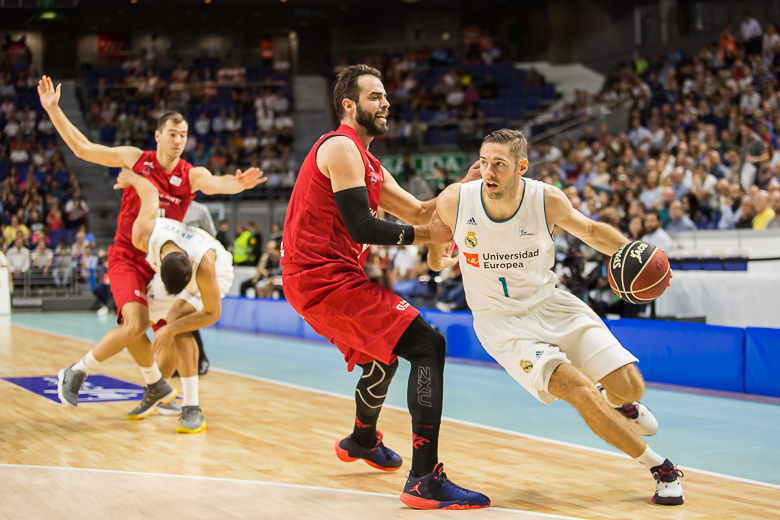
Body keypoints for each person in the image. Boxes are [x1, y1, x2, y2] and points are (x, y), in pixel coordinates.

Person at [428, 129, 684, 506]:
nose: (489, 171)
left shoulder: (545, 199)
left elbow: (593, 231)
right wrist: (442, 260)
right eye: (484, 162)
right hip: (503, 324)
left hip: (551, 304)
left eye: (499, 163)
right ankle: (661, 468)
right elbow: (435, 250)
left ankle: (621, 405)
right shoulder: (455, 200)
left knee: (631, 387)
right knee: (579, 390)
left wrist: (644, 255)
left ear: (522, 167)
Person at [281, 64, 489, 510]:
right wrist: (431, 237)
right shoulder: (339, 147)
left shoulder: (368, 162)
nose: (386, 103)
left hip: (331, 277)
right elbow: (361, 226)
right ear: (349, 105)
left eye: (386, 96)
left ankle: (361, 439)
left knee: (384, 356)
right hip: (320, 278)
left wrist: (463, 189)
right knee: (427, 344)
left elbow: (418, 212)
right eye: (375, 96)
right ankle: (424, 478)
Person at [36, 76, 264, 409]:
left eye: (183, 135)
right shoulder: (135, 159)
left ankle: (158, 387)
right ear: (158, 136)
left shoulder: (190, 174)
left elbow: (218, 183)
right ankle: (75, 372)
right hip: (128, 257)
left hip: (161, 264)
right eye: (172, 134)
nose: (178, 141)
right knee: (136, 325)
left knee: (174, 328)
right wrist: (54, 110)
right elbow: (83, 149)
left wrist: (239, 184)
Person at [113, 168, 234, 433]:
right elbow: (149, 192)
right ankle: (156, 387)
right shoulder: (148, 231)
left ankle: (192, 406)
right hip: (175, 271)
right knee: (133, 320)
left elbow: (213, 313)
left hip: (213, 273)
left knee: (178, 321)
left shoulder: (206, 264)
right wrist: (130, 177)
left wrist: (171, 327)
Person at [183, 199, 217, 375]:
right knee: (174, 316)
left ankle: (201, 359)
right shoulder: (165, 204)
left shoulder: (200, 210)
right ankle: (178, 363)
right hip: (173, 266)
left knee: (189, 315)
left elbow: (212, 237)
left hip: (195, 267)